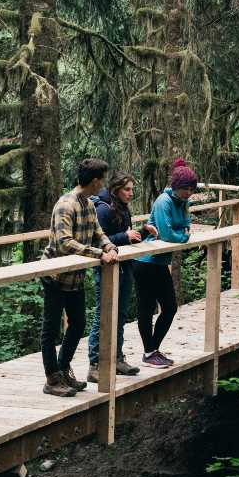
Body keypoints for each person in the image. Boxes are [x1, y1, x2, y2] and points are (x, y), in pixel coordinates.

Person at [41, 158, 118, 397]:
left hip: (75, 277)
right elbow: (64, 243)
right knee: (51, 329)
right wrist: (98, 253)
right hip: (56, 276)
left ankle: (63, 369)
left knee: (78, 324)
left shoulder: (89, 205)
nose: (104, 184)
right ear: (95, 181)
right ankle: (52, 378)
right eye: (102, 180)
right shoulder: (66, 205)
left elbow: (98, 232)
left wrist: (109, 247)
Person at [87, 172, 157, 382]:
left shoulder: (122, 208)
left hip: (125, 267)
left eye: (132, 189)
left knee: (120, 314)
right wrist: (124, 236)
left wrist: (143, 232)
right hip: (106, 268)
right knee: (103, 314)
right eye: (127, 189)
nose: (130, 193)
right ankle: (95, 364)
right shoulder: (102, 209)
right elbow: (97, 240)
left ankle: (116, 358)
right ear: (116, 189)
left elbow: (126, 238)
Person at [135, 158, 198, 368]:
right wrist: (183, 237)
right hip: (145, 260)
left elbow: (187, 223)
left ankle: (152, 350)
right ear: (176, 187)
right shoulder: (164, 201)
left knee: (170, 307)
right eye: (185, 189)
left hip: (160, 261)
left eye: (191, 189)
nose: (188, 193)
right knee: (147, 307)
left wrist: (183, 232)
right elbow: (167, 235)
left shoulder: (183, 202)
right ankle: (149, 352)